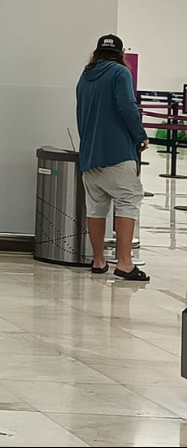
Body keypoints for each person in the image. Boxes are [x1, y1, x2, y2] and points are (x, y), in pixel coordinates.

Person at [77, 33, 150, 281]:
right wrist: (140, 135)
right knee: (128, 201)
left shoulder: (85, 77)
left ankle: (98, 260)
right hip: (118, 153)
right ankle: (125, 263)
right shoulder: (120, 73)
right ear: (120, 55)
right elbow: (128, 106)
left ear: (96, 53)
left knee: (96, 207)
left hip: (90, 155)